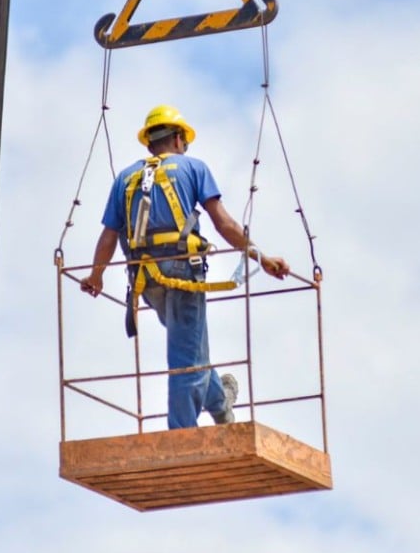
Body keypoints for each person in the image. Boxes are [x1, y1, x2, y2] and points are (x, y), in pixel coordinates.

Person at [80, 104, 289, 429]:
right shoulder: (193, 168)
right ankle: (182, 435)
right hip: (182, 274)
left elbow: (108, 235)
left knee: (189, 348)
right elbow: (224, 224)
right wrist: (261, 257)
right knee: (186, 360)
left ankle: (222, 406)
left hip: (145, 281)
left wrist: (96, 276)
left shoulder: (126, 177)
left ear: (150, 142)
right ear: (178, 139)